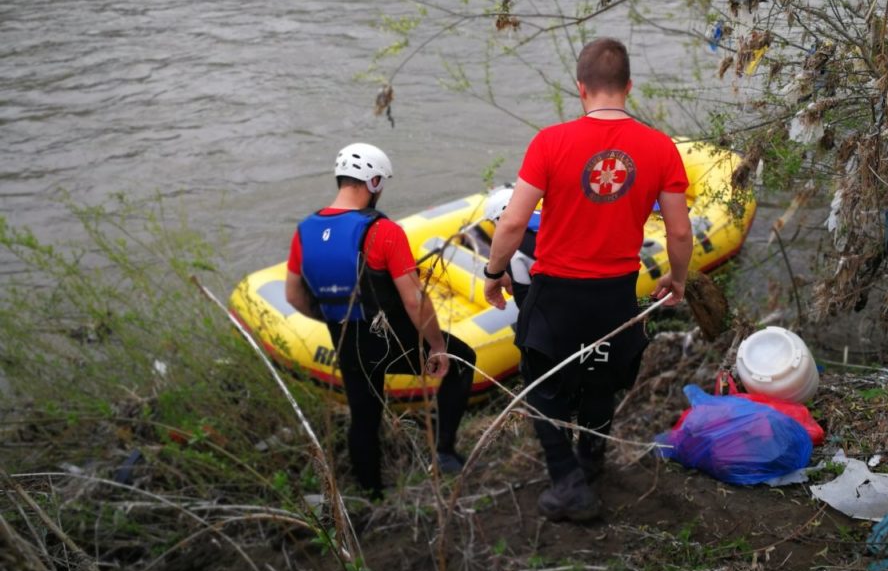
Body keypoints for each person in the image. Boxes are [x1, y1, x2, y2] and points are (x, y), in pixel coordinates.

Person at [482, 38, 693, 522]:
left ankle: (569, 481)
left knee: (542, 384)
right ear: (629, 87)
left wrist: (495, 274)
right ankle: (590, 462)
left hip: (557, 292)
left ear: (580, 89)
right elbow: (679, 230)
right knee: (601, 381)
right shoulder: (660, 147)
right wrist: (677, 281)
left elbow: (513, 223)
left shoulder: (550, 141)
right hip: (617, 292)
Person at [285, 142, 477, 498]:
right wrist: (436, 347)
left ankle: (371, 493)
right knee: (462, 359)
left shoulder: (304, 232)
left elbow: (294, 296)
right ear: (373, 182)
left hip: (346, 342)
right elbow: (413, 299)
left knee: (364, 415)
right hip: (390, 341)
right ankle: (444, 453)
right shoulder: (382, 231)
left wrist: (331, 317)